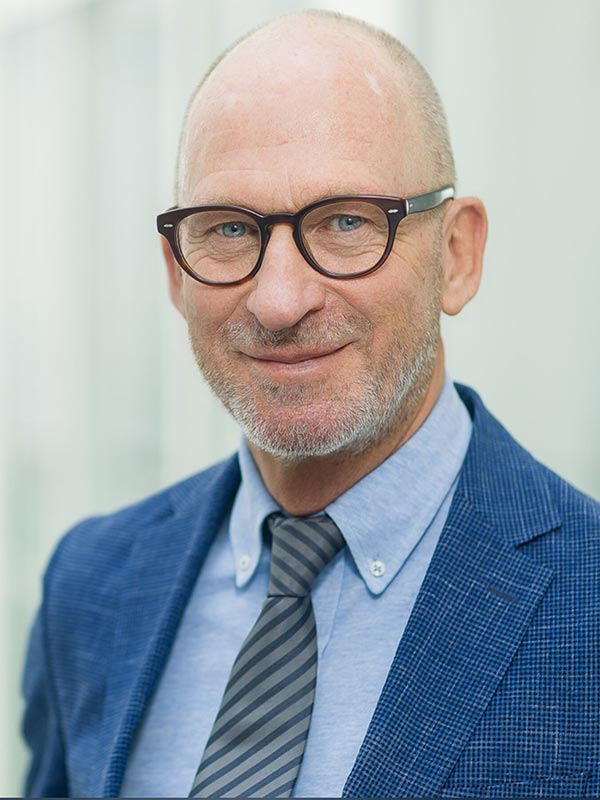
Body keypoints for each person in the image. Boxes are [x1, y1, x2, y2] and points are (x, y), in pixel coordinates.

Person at [22, 9, 600, 799]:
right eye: (229, 229)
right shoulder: (90, 588)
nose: (280, 300)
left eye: (346, 221)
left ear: (457, 255)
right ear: (175, 272)